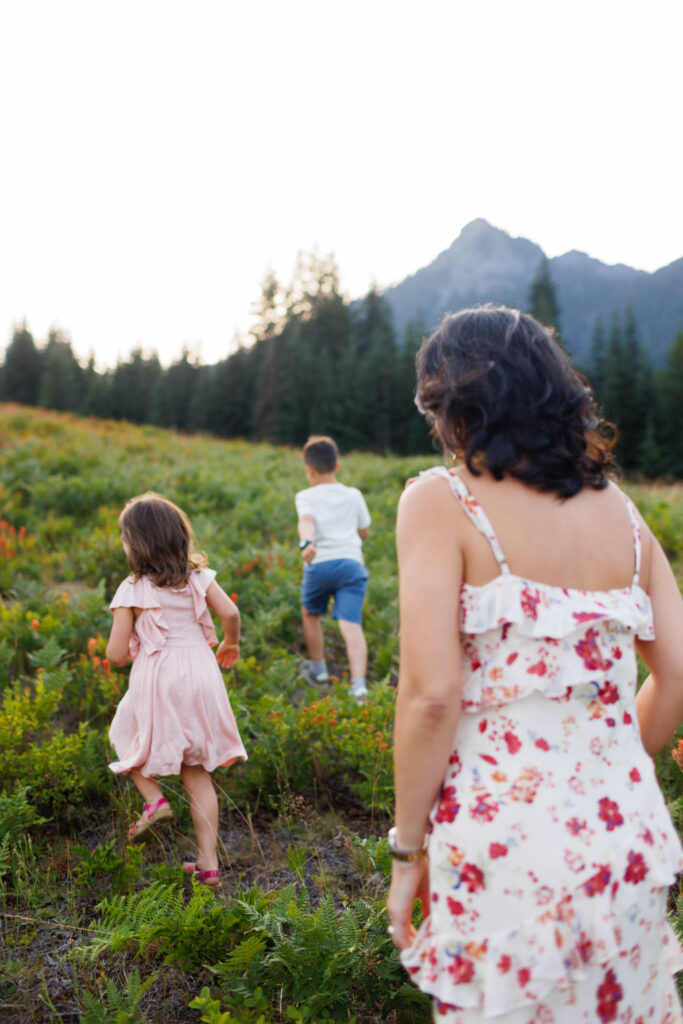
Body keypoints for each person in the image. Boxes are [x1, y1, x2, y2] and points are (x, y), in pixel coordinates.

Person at [386, 306, 683, 1022]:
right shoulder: (625, 515)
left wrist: (405, 851)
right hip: (627, 835)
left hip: (505, 845)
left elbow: (430, 697)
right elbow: (676, 675)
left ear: (456, 407)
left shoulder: (441, 500)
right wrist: (599, 764)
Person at [106, 492, 246, 887]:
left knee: (126, 735)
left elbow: (116, 655)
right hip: (200, 672)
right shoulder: (199, 577)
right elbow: (231, 613)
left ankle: (154, 802)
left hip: (157, 675)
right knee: (196, 768)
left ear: (135, 543)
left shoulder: (132, 588)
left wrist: (130, 633)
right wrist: (230, 642)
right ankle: (208, 863)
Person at [295, 435, 371, 702]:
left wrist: (307, 542)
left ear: (309, 471)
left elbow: (306, 521)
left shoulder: (306, 496)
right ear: (337, 466)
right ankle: (359, 686)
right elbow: (364, 530)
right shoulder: (354, 495)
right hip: (351, 564)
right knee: (351, 624)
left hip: (319, 564)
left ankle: (319, 671)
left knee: (310, 613)